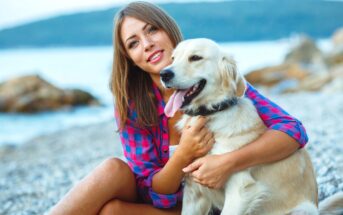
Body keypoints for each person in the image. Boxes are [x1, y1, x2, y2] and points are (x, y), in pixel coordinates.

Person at [49, 1, 308, 214]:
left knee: (111, 212)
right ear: (129, 58)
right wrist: (184, 153)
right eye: (133, 43)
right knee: (112, 176)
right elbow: (156, 194)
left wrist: (226, 163)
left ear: (168, 30)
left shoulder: (220, 83)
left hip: (220, 203)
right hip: (171, 204)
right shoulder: (132, 106)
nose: (147, 44)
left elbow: (294, 131)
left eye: (151, 30)